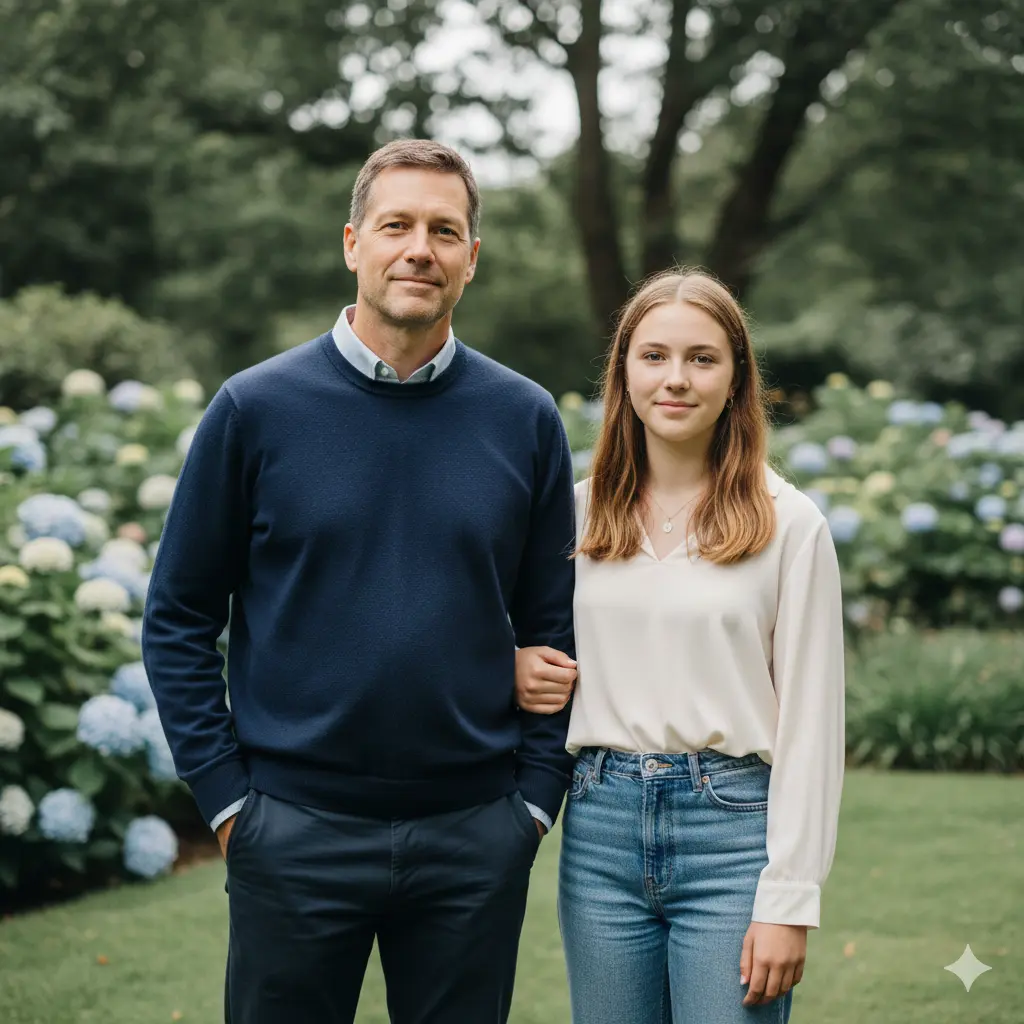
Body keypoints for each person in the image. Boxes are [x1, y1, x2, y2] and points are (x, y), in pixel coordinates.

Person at [141, 138, 578, 1024]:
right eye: (397, 225)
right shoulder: (253, 410)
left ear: (471, 259)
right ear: (353, 243)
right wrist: (230, 805)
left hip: (473, 836)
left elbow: (557, 626)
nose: (421, 247)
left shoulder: (525, 419)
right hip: (292, 830)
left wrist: (532, 805)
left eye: (444, 230)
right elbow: (179, 617)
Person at [515, 269, 846, 1023]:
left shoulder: (789, 525)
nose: (676, 379)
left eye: (702, 358)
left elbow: (813, 729)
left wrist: (789, 897)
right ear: (623, 373)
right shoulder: (574, 518)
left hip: (731, 835)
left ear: (735, 380)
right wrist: (514, 665)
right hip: (598, 831)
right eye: (654, 356)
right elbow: (512, 641)